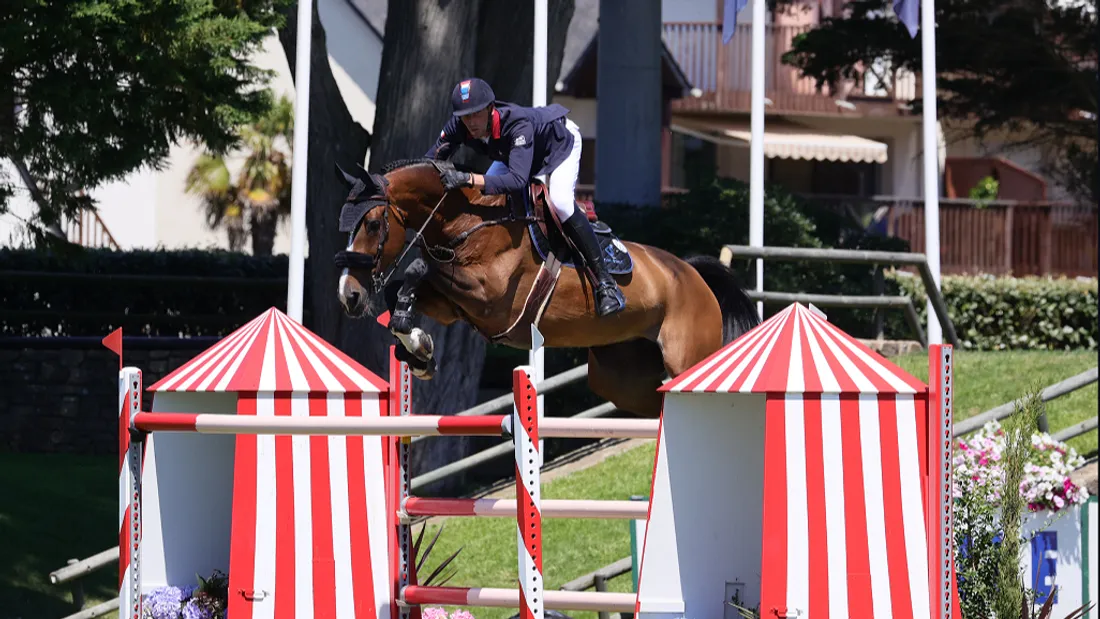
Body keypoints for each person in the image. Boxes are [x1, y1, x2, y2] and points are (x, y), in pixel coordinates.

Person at [424, 77, 625, 318]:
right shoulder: (460, 125)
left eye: (476, 114)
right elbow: (429, 163)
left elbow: (517, 180)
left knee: (560, 203)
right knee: (481, 198)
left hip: (558, 145)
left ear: (490, 108)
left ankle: (605, 284)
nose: (471, 123)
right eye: (466, 117)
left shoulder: (516, 123)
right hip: (514, 154)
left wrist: (469, 178)